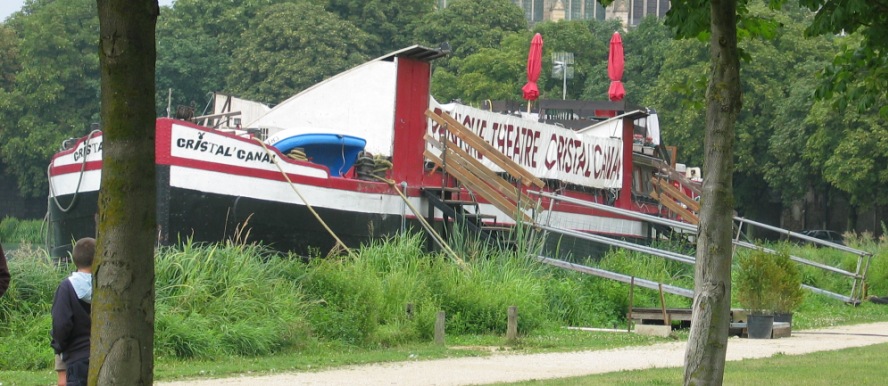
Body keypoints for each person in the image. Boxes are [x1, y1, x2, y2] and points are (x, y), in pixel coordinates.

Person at [51, 237, 95, 386]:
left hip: (76, 358)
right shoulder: (105, 288)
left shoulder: (66, 288)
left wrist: (58, 347)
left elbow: (61, 324)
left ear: (75, 259)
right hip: (103, 355)